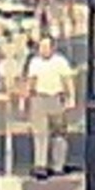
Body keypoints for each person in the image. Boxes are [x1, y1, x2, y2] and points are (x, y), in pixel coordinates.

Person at [24, 36, 76, 180]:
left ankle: (58, 165)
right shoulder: (35, 62)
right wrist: (26, 99)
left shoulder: (60, 62)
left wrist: (71, 98)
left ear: (53, 48)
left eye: (46, 47)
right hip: (39, 98)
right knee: (40, 133)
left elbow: (67, 80)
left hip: (56, 98)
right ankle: (40, 165)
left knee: (59, 134)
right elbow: (31, 81)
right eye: (41, 47)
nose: (43, 50)